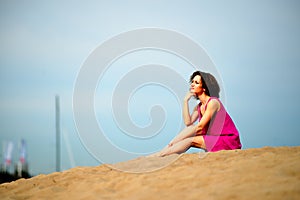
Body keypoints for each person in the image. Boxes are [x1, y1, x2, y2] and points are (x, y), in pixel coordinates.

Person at [152, 71, 242, 157]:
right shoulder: (199, 106)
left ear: (204, 87)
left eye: (196, 82)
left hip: (227, 140)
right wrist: (185, 101)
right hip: (213, 138)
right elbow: (188, 123)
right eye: (192, 82)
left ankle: (160, 154)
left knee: (190, 140)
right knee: (190, 131)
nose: (192, 84)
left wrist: (174, 141)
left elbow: (200, 127)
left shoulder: (213, 102)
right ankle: (162, 153)